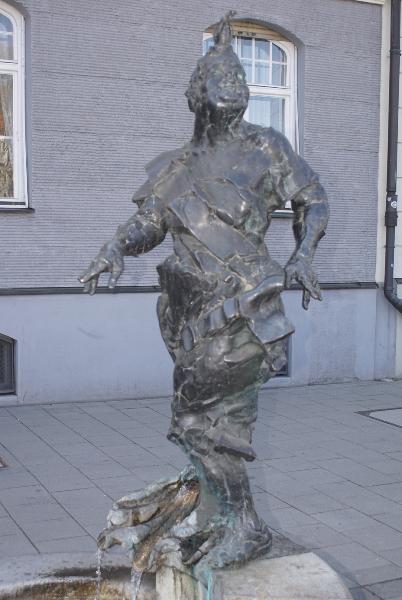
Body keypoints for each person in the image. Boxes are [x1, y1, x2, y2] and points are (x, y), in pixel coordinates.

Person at [80, 12, 329, 580]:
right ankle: (219, 516)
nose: (235, 86)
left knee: (198, 422)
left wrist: (303, 256)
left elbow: (314, 201)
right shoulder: (177, 168)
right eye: (222, 78)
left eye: (240, 79)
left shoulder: (267, 149)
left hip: (245, 310)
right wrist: (115, 247)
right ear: (196, 94)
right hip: (188, 316)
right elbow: (149, 222)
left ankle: (245, 525)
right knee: (212, 425)